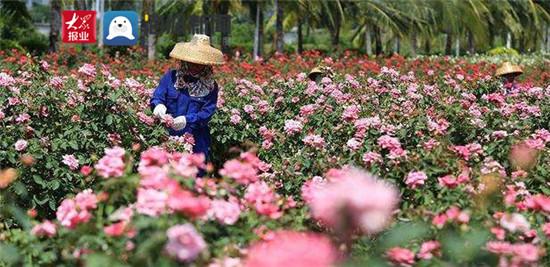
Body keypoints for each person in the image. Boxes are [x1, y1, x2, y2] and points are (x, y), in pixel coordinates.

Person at [150, 34, 224, 164]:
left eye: (199, 63)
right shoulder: (171, 77)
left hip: (196, 140)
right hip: (167, 136)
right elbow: (158, 97)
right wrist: (158, 106)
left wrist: (187, 120)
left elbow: (207, 112)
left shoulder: (210, 87)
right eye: (192, 61)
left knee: (193, 178)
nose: (195, 66)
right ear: (185, 60)